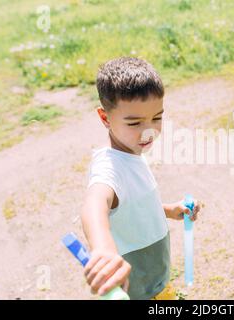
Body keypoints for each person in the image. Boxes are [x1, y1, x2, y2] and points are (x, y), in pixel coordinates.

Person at [80, 57, 201, 300]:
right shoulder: (109, 168)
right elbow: (93, 206)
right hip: (134, 291)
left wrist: (169, 210)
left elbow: (134, 205)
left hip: (154, 281)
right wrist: (103, 251)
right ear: (105, 118)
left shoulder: (131, 152)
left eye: (157, 118)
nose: (148, 130)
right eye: (134, 122)